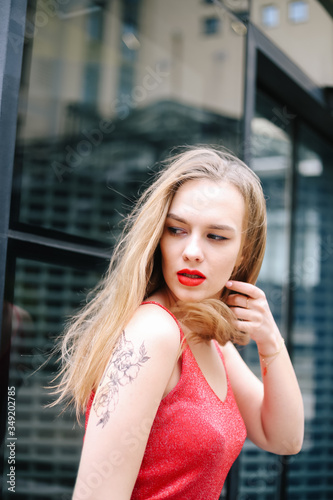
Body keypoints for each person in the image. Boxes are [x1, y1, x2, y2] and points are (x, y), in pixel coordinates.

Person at [53, 146, 304, 500]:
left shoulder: (208, 338)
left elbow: (284, 438)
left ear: (244, 252)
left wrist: (270, 340)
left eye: (216, 236)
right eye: (177, 230)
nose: (192, 251)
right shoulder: (154, 332)